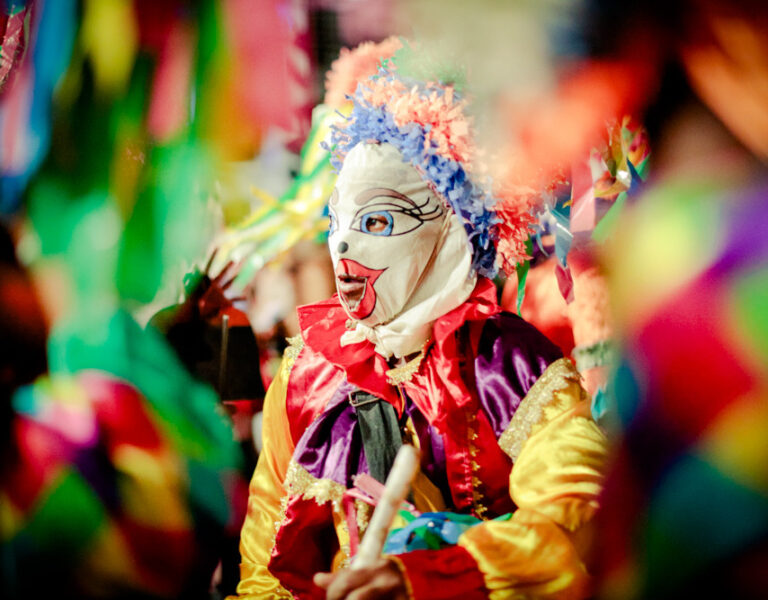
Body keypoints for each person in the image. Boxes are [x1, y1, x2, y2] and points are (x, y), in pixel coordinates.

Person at [232, 65, 608, 599]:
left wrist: (432, 580)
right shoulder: (307, 376)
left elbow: (574, 515)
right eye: (337, 220)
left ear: (449, 234)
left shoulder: (509, 365)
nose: (341, 246)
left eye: (377, 222)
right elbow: (266, 568)